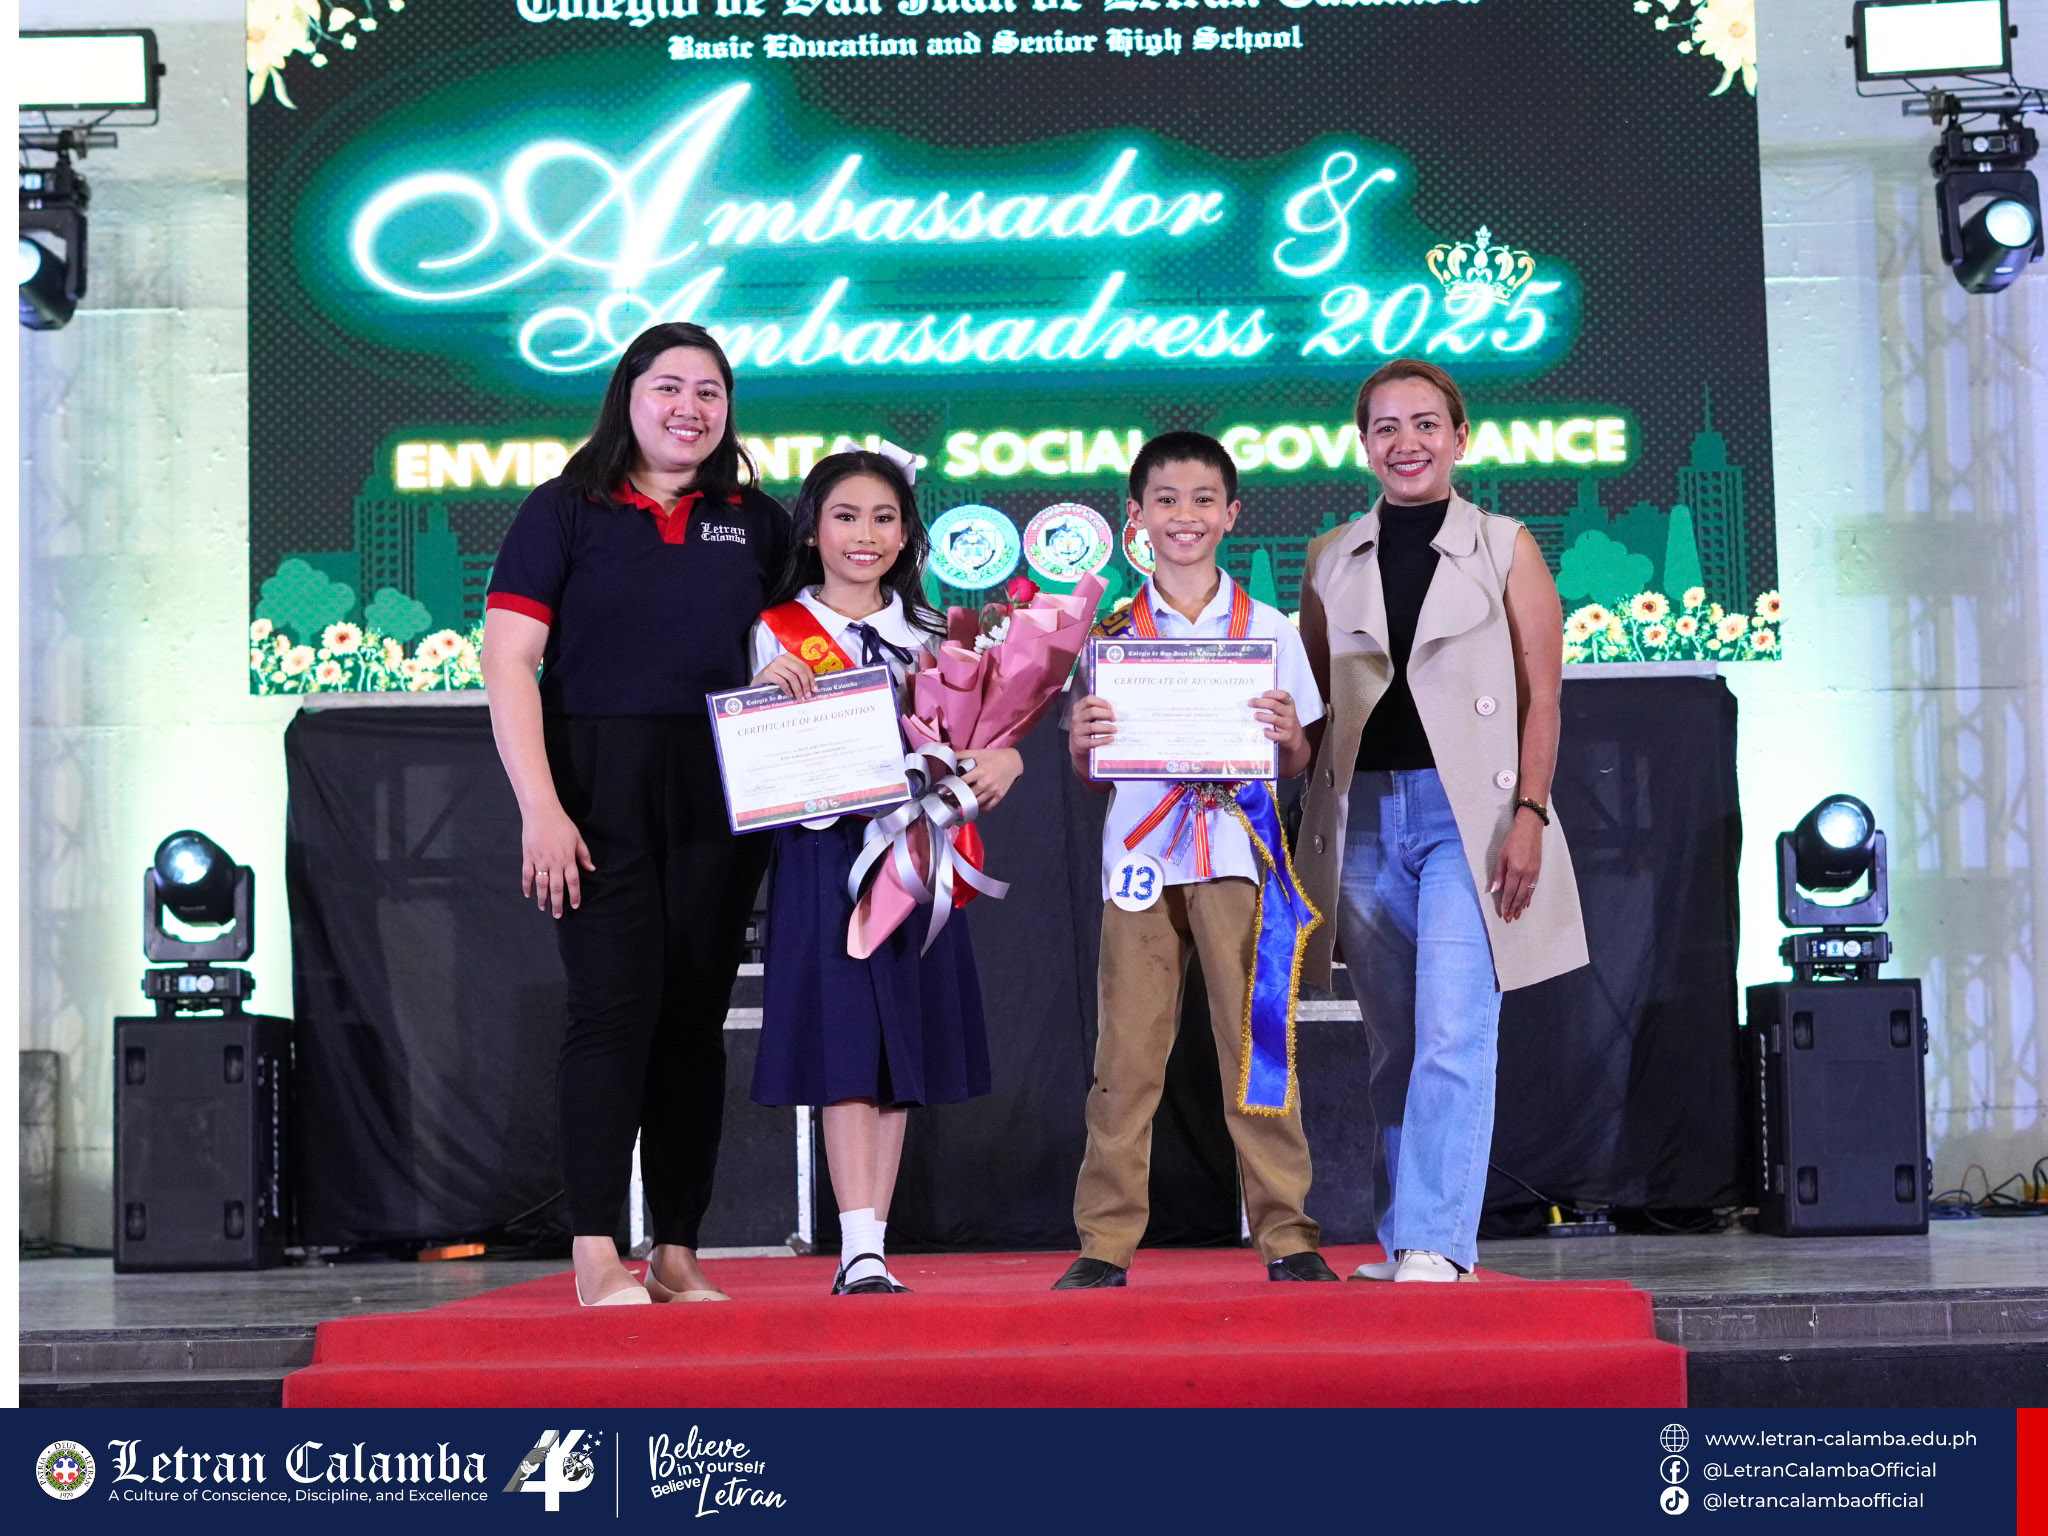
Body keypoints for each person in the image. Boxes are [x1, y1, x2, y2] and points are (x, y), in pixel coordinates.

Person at [480, 322, 790, 1307]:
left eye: (709, 392)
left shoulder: (756, 521)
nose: (689, 408)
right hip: (593, 786)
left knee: (694, 1019)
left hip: (720, 787)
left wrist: (790, 673)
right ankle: (593, 1253)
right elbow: (507, 661)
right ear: (628, 395)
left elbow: (797, 645)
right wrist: (540, 808)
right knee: (613, 1012)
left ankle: (677, 1252)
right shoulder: (562, 508)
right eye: (669, 387)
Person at [1294, 358, 1588, 1283]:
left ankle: (1440, 1243)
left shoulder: (1505, 545)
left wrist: (1530, 811)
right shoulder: (1329, 556)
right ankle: (1404, 1237)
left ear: (1459, 437)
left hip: (1474, 816)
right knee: (1397, 1041)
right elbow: (1316, 704)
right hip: (1363, 819)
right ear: (1363, 444)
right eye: (1385, 427)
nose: (1406, 442)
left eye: (1425, 423)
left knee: (1456, 1028)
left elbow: (1543, 696)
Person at [1055, 431, 1340, 1288]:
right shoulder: (1108, 633)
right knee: (1126, 1059)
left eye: (1204, 499)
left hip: (1236, 857)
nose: (1186, 516)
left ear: (1232, 513)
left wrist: (1288, 739)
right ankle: (1104, 1243)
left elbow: (1296, 759)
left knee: (1256, 1049)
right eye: (1167, 500)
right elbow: (1092, 768)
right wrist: (1081, 742)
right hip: (1140, 860)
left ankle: (1287, 1234)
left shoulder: (1269, 630)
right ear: (1136, 514)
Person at [747, 450, 1023, 1296]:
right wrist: (761, 694)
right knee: (843, 1043)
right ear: (811, 529)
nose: (864, 535)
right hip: (823, 855)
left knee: (898, 1042)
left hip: (915, 852)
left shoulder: (935, 634)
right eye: (845, 516)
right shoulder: (773, 630)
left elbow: (976, 737)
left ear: (907, 535)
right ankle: (855, 1244)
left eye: (883, 518)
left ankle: (873, 1243)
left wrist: (1002, 759)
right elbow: (752, 755)